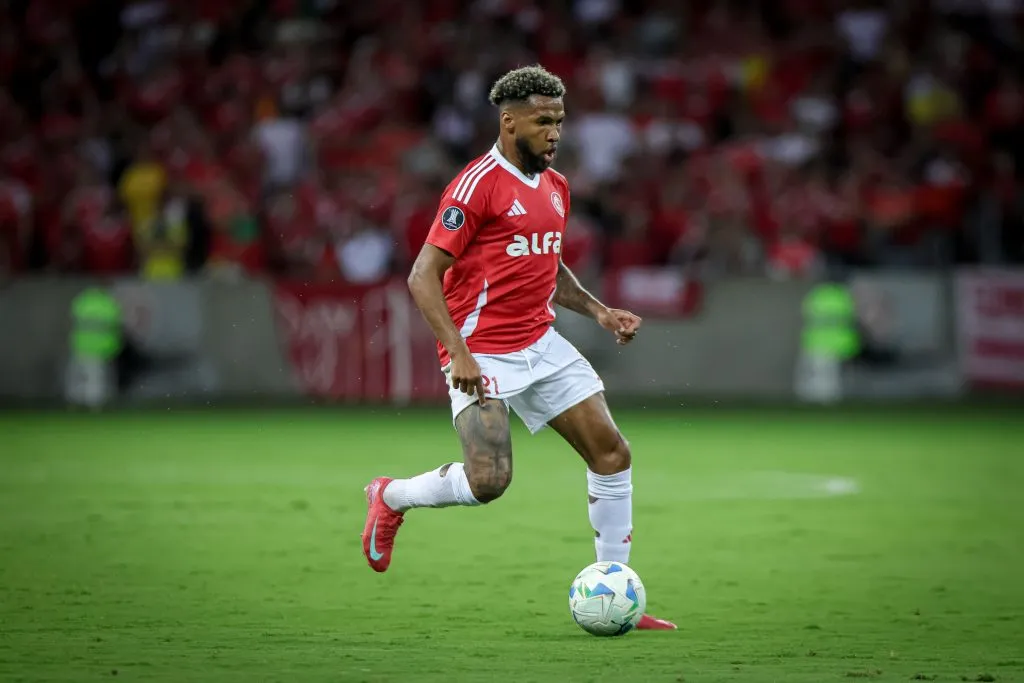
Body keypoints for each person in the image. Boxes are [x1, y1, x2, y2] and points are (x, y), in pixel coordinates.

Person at [360, 65, 676, 631]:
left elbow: (545, 264)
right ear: (509, 122)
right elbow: (421, 276)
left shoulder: (556, 187)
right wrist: (457, 351)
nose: (555, 133)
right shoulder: (475, 186)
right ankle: (391, 496)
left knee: (612, 454)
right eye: (542, 121)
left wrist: (600, 311)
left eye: (559, 121)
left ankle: (616, 589)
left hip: (540, 341)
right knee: (489, 483)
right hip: (481, 349)